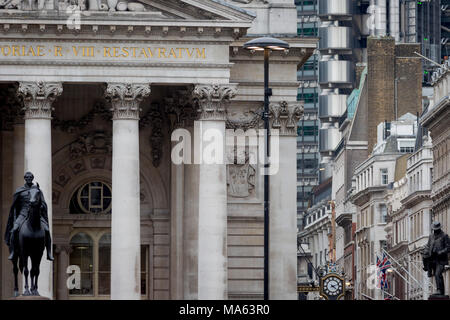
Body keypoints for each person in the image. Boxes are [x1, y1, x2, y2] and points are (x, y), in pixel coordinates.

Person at [4, 172, 54, 261]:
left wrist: (40, 206)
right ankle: (12, 252)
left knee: (46, 230)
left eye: (30, 177)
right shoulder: (20, 191)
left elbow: (43, 203)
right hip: (22, 214)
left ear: (32, 178)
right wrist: (15, 218)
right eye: (27, 177)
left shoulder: (38, 191)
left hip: (36, 215)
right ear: (24, 178)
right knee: (15, 229)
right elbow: (15, 206)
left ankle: (49, 253)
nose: (29, 178)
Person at [422, 221, 450, 296]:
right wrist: (426, 252)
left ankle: (440, 291)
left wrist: (440, 252)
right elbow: (428, 246)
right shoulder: (431, 236)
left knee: (438, 274)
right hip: (432, 259)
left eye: (436, 229)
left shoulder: (445, 236)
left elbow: (448, 248)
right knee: (435, 274)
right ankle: (439, 290)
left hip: (441, 260)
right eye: (434, 229)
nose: (435, 230)